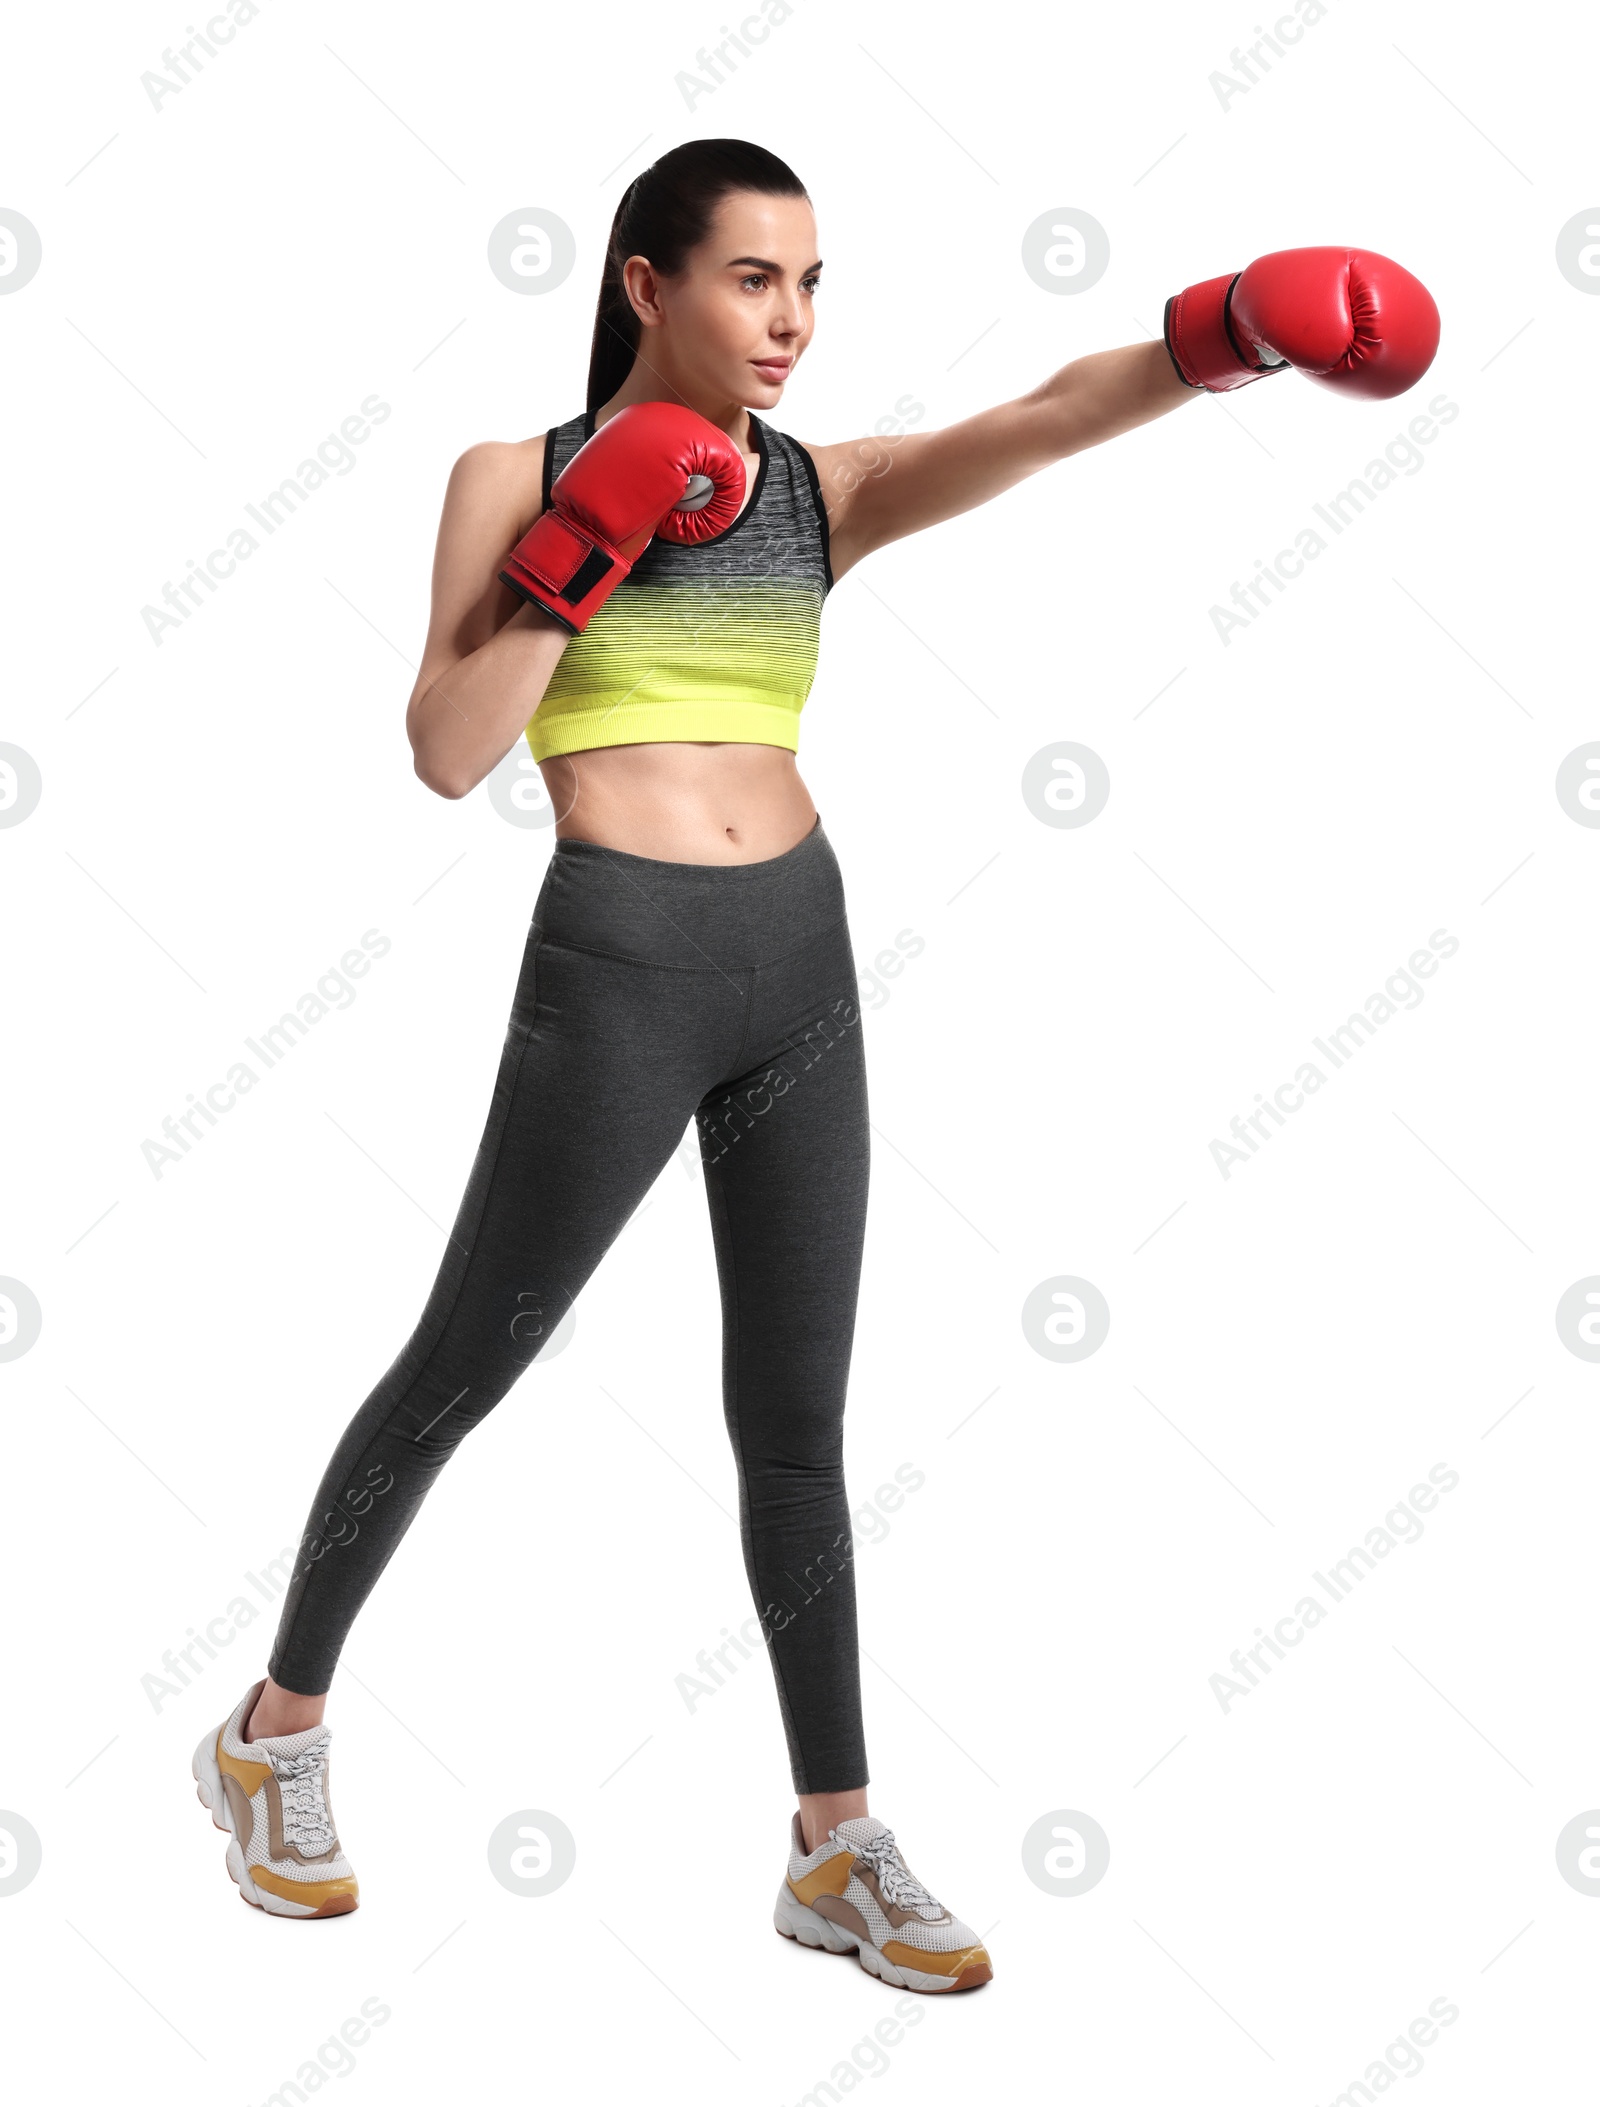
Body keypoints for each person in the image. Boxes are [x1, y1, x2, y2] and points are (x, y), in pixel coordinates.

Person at [191, 138, 1438, 1990]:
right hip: (620, 962)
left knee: (796, 1422)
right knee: (468, 1359)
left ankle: (832, 1851)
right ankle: (270, 1735)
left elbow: (1040, 415)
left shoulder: (817, 491)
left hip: (799, 960)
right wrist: (586, 537)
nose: (787, 323)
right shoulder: (508, 475)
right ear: (644, 282)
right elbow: (450, 750)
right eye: (751, 278)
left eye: (809, 285)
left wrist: (1225, 336)